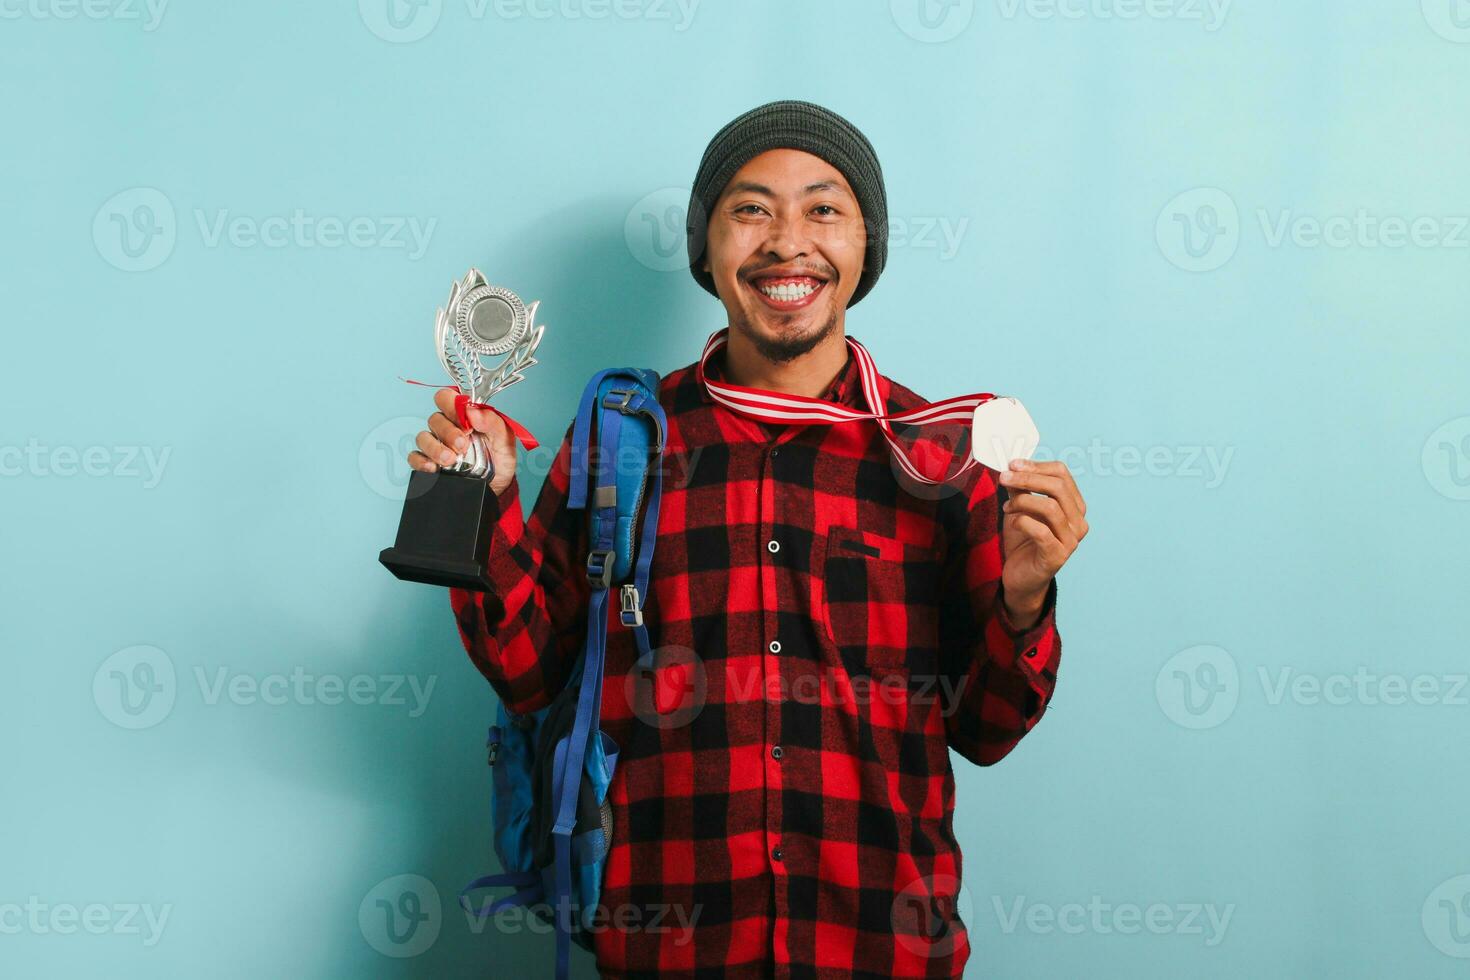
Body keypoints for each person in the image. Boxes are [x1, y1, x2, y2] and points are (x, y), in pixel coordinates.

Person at [407, 99, 1088, 979]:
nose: (788, 242)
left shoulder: (936, 455)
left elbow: (986, 728)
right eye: (751, 209)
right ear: (709, 248)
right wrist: (482, 500)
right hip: (669, 947)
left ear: (863, 248)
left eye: (824, 209)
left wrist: (1025, 598)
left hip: (879, 947)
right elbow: (532, 673)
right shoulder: (623, 439)